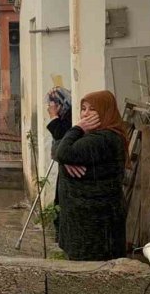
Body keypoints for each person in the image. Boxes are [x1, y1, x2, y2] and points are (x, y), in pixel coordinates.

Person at [53, 90, 128, 261]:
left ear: (105, 112)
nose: (85, 114)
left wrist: (77, 128)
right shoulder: (95, 137)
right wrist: (65, 161)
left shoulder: (103, 139)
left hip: (93, 227)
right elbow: (59, 148)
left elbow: (62, 150)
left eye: (92, 109)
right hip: (88, 225)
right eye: (83, 108)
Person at [46, 86, 73, 241]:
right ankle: (59, 234)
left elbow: (61, 136)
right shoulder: (64, 116)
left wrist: (54, 118)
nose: (50, 107)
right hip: (64, 165)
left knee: (62, 200)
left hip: (69, 166)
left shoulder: (67, 118)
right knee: (59, 200)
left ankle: (62, 235)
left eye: (52, 104)